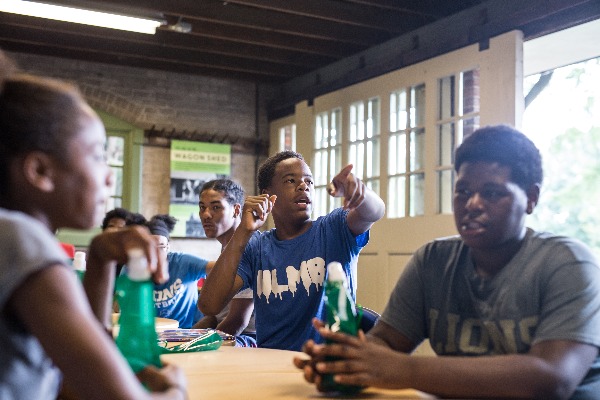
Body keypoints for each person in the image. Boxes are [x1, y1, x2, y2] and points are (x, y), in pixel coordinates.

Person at [294, 125, 600, 400]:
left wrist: (401, 370)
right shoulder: (433, 262)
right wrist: (345, 363)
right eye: (463, 192)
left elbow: (551, 380)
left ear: (531, 198)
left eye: (492, 193)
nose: (473, 204)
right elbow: (385, 341)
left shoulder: (568, 264)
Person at [0, 73, 187, 399]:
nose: (109, 179)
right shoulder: (21, 241)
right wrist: (175, 392)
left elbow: (76, 382)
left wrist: (99, 260)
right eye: (98, 156)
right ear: (40, 171)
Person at [198, 151, 385, 350]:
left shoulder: (334, 229)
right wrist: (243, 231)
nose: (303, 186)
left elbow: (375, 211)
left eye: (309, 182)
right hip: (271, 367)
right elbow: (209, 305)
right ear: (267, 195)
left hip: (326, 366)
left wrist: (361, 194)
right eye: (290, 180)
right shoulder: (256, 247)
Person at [193, 179, 257, 347]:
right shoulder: (227, 249)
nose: (206, 215)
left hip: (247, 338)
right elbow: (215, 316)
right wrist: (187, 334)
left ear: (236, 210)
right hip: (227, 333)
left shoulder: (247, 247)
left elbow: (238, 321)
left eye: (216, 207)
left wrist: (196, 346)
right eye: (202, 207)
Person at [146, 214, 214, 328]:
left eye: (161, 247)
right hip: (147, 334)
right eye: (150, 247)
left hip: (184, 333)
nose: (156, 253)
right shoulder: (132, 268)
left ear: (168, 246)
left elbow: (218, 268)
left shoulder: (184, 262)